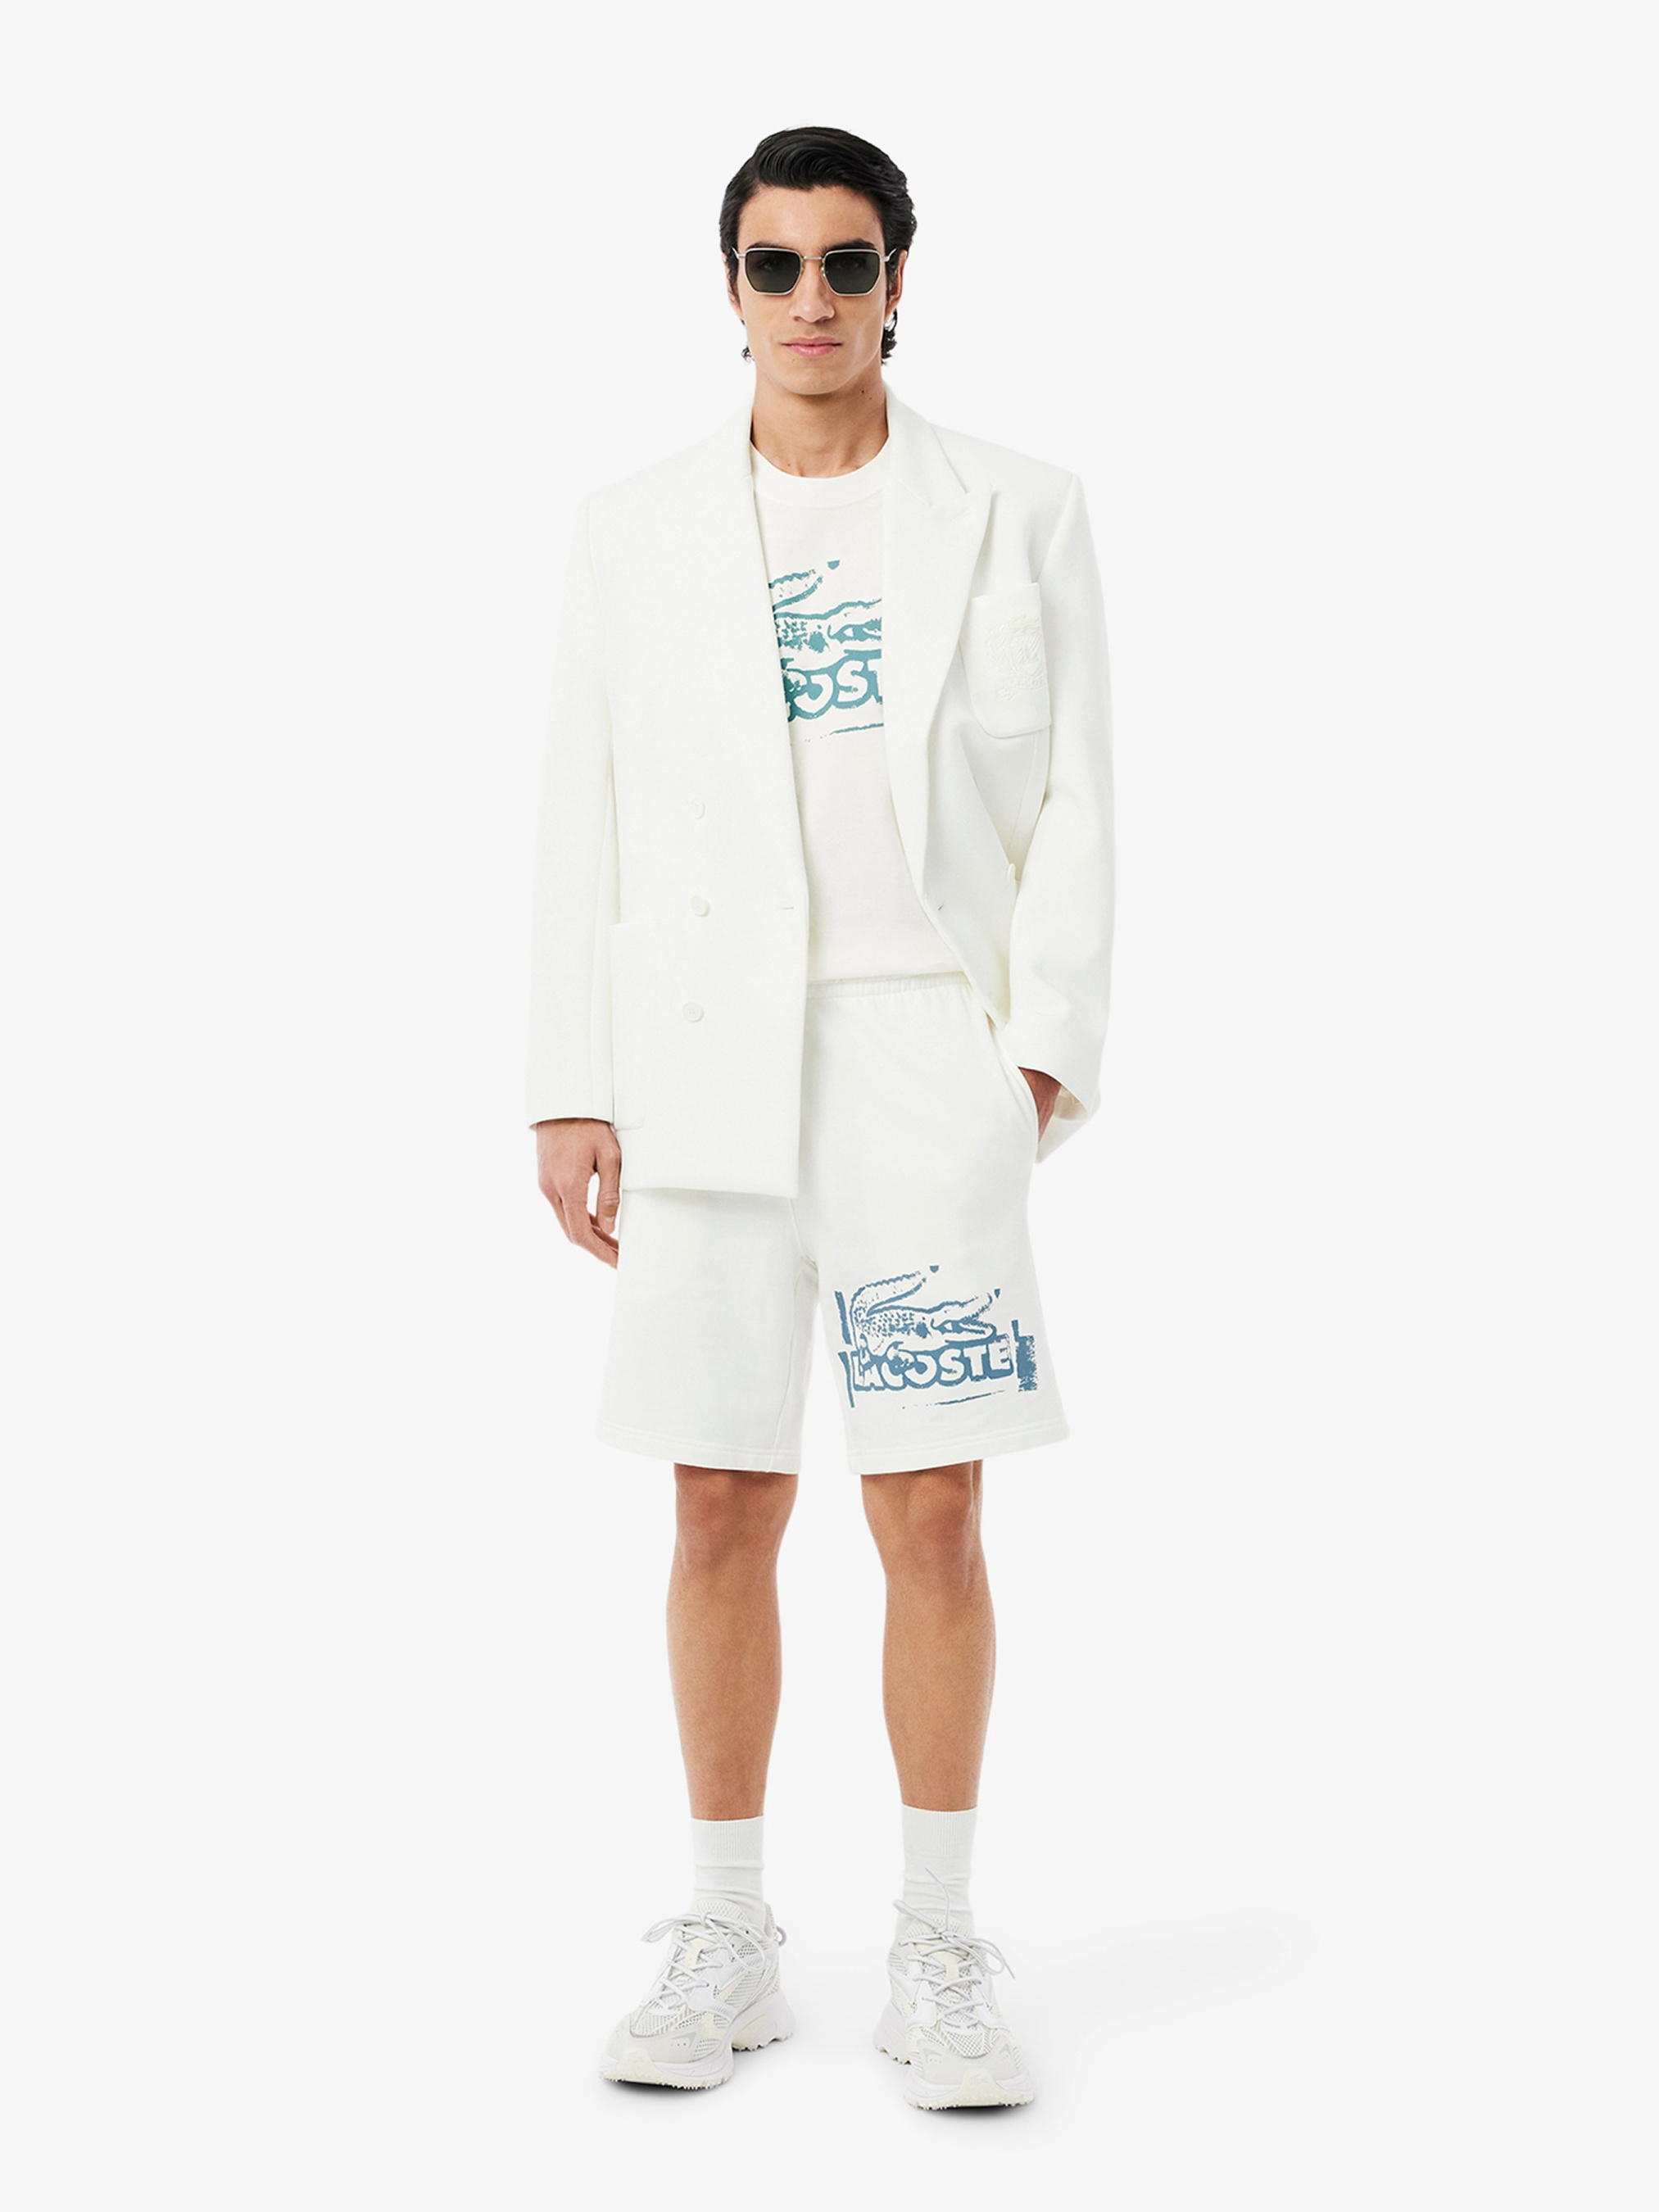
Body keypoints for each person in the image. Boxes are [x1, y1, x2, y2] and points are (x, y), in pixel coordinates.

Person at [528, 125, 1113, 2109]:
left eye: (842, 262)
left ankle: (937, 1945)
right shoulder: (629, 530)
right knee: (717, 1497)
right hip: (696, 1060)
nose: (809, 299)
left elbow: (1080, 802)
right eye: (772, 265)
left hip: (917, 1057)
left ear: (893, 282)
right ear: (729, 289)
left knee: (929, 1505)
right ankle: (727, 1936)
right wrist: (569, 1083)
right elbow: (579, 811)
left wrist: (1034, 1056)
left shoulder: (1016, 510)